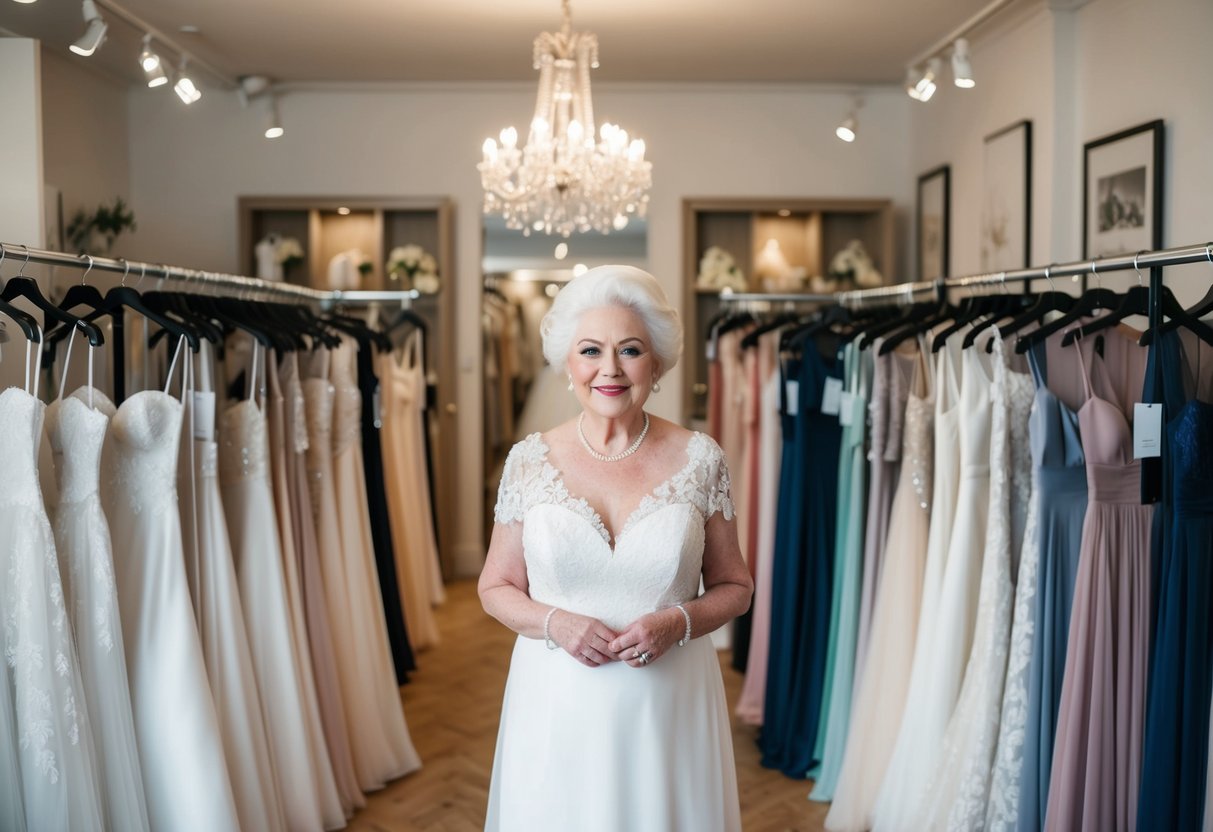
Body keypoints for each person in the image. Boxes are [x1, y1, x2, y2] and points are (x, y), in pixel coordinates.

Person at [479, 265, 753, 832]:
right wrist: (557, 623)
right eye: (590, 350)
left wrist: (678, 621)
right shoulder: (529, 461)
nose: (609, 368)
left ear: (655, 364)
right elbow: (494, 586)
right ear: (567, 364)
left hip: (667, 708)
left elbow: (736, 587)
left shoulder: (701, 459)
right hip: (556, 702)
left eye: (629, 350)